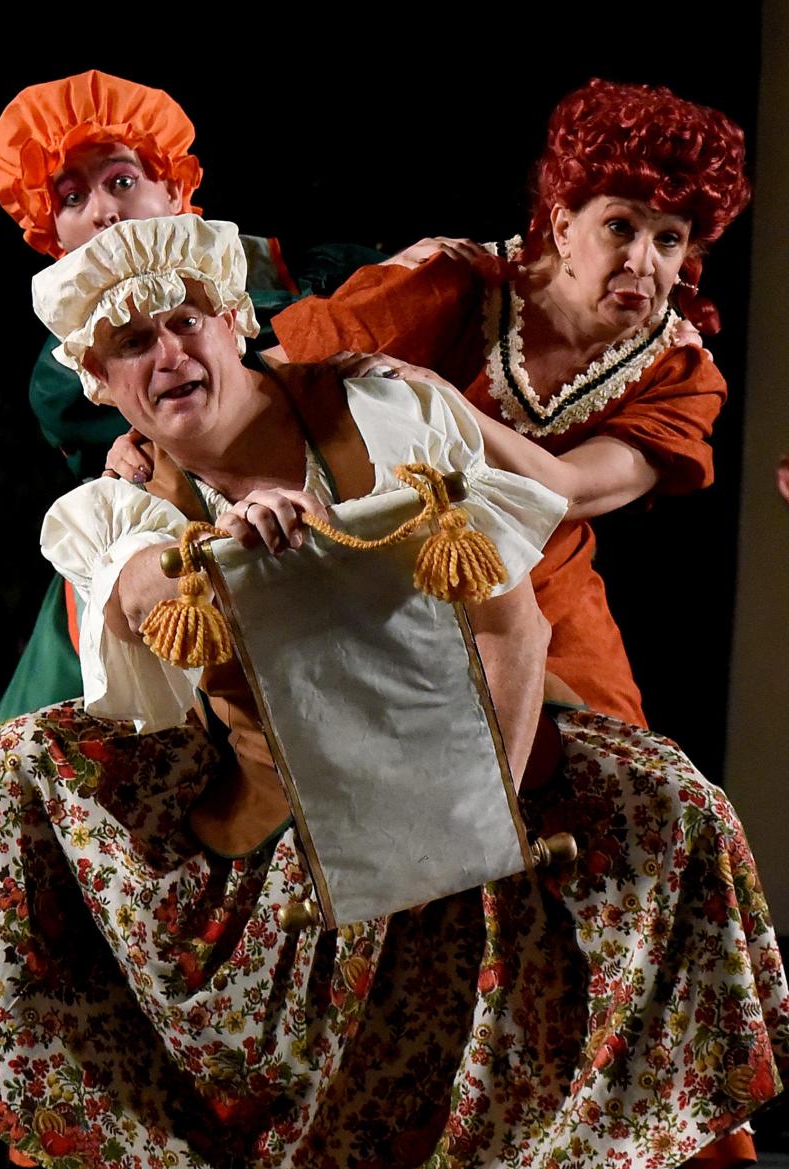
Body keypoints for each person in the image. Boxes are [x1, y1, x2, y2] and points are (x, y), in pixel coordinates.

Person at [0, 219, 786, 1169]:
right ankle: (7, 1105)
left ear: (233, 321)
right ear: (99, 382)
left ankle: (615, 1146)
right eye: (132, 344)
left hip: (453, 749)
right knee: (13, 764)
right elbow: (145, 595)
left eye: (187, 320)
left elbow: (508, 619)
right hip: (269, 793)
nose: (170, 355)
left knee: (670, 799)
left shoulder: (382, 410)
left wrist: (482, 810)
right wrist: (219, 550)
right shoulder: (119, 499)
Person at [0, 69, 382, 1165]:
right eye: (72, 197)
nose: (100, 210)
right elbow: (133, 486)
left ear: (175, 186)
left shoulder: (278, 276)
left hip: (320, 587)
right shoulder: (66, 366)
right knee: (23, 778)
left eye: (121, 179)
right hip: (153, 579)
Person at [272, 77, 750, 732]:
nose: (642, 259)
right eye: (620, 226)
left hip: (546, 580)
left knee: (623, 769)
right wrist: (145, 441)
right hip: (391, 555)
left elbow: (565, 492)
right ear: (562, 223)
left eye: (668, 239)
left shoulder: (683, 376)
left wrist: (441, 400)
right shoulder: (456, 279)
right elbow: (273, 380)